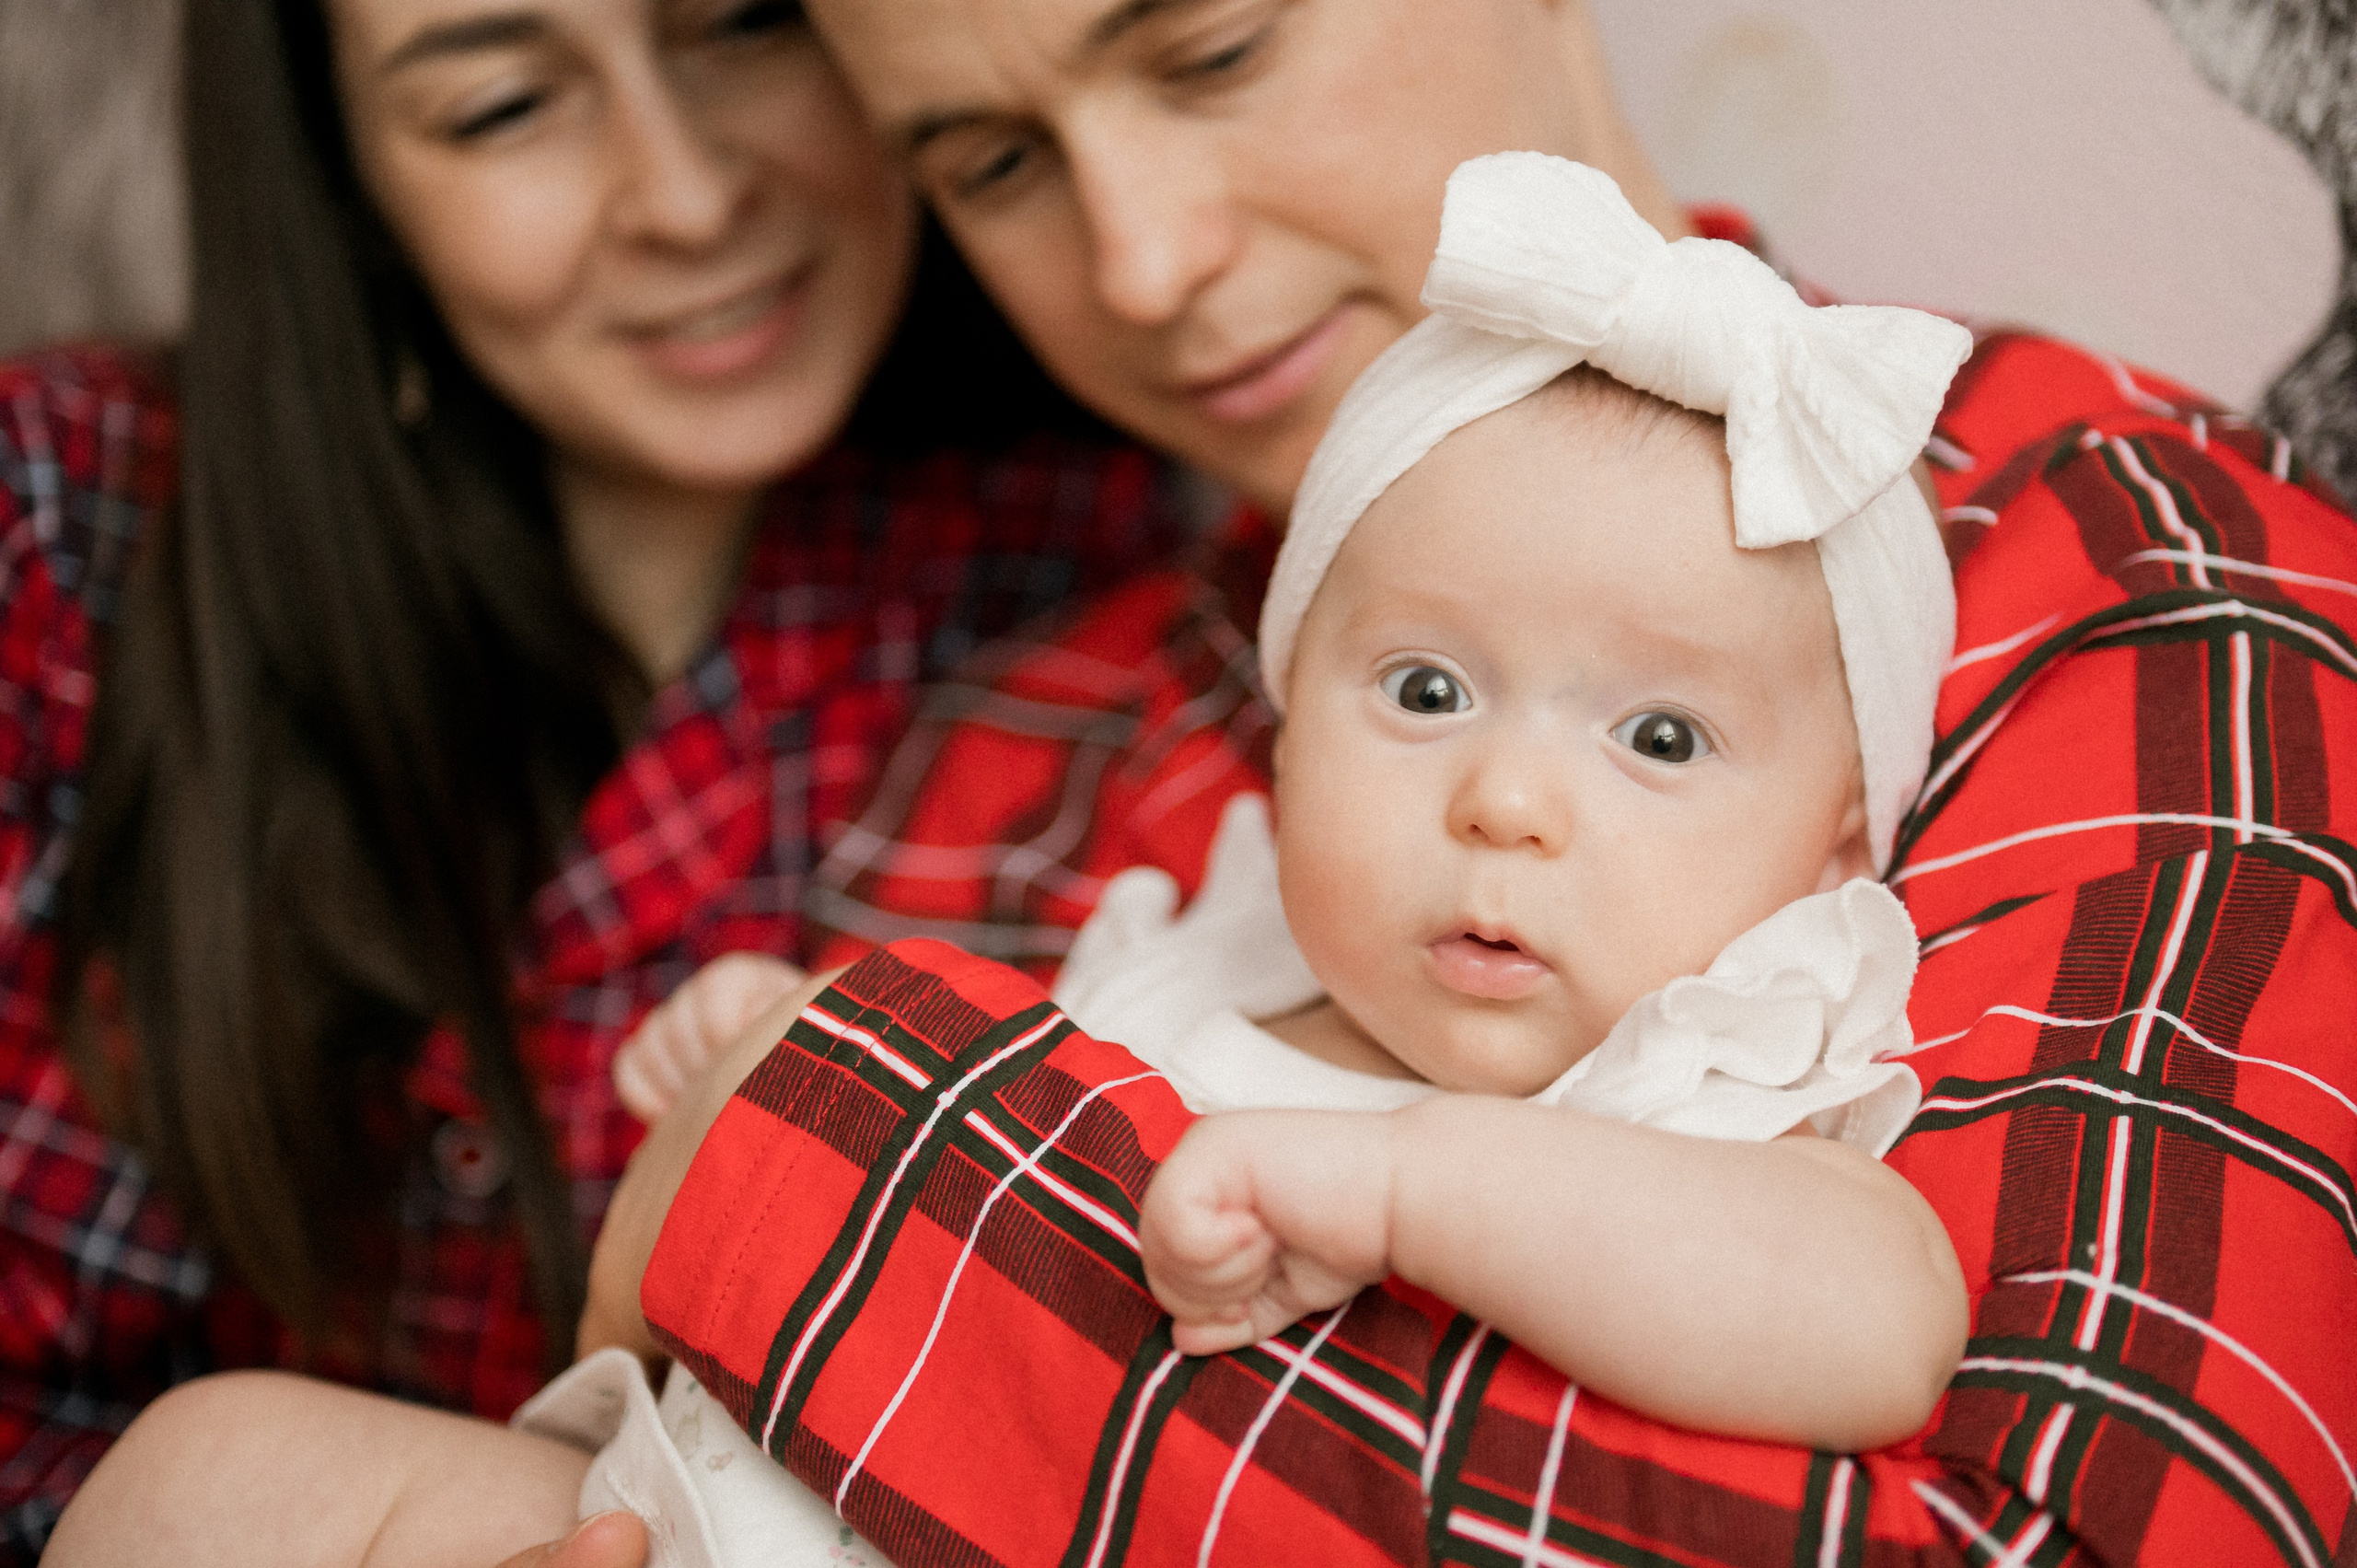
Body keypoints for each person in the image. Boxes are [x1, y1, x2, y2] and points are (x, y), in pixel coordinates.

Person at [575, 1, 2357, 1563]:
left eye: (1212, 46)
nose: (1138, 263)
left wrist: (809, 1157)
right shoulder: (1003, 760)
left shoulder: (2115, 568)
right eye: (993, 162)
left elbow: (2057, 1531)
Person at [43, 153, 1980, 1567]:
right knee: (204, 1475)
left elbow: (1879, 1323)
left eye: (1654, 740)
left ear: (1827, 847)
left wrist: (1406, 1182)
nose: (1504, 802)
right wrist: (785, 1044)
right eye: (1418, 688)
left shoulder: (1711, 1073)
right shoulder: (1194, 941)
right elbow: (906, 1159)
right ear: (1284, 716)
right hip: (688, 1513)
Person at [0, 0, 1187, 1554]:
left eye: (744, 26)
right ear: (350, 177)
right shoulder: (58, 531)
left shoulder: (1107, 587)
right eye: (502, 108)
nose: (687, 195)